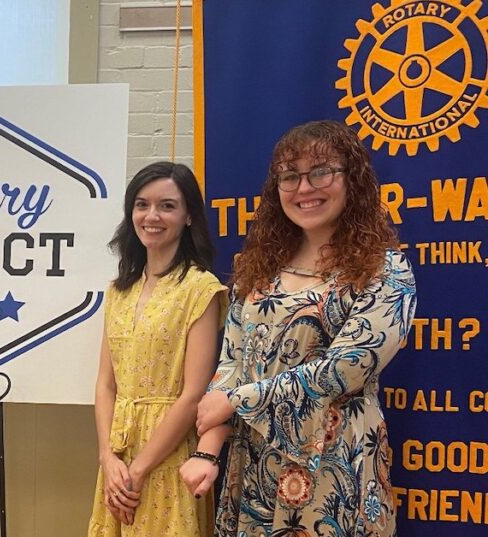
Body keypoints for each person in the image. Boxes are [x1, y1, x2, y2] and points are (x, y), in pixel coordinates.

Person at [181, 120, 417, 536]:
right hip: (254, 465)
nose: (304, 188)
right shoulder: (257, 271)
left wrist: (238, 400)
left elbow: (345, 368)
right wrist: (207, 450)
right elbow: (231, 364)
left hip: (335, 468)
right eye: (290, 176)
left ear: (352, 180)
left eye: (321, 171)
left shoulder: (386, 271)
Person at [88, 162, 228, 536]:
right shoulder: (119, 290)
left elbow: (193, 394)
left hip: (167, 453)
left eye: (167, 205)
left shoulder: (201, 289)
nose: (152, 216)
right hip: (118, 453)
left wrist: (139, 469)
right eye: (141, 204)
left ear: (187, 217)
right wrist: (108, 458)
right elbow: (106, 384)